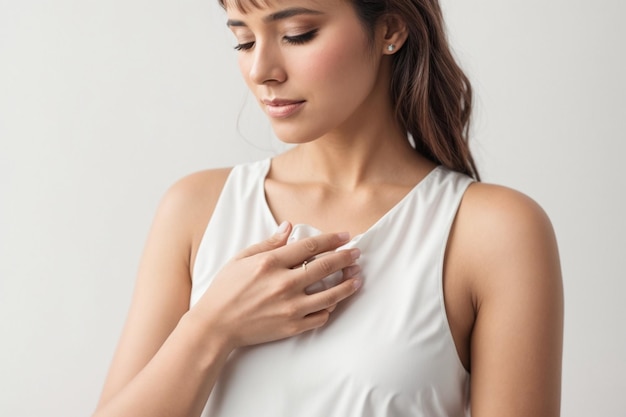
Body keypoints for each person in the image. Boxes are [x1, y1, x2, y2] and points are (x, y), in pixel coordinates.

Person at [93, 0, 563, 416]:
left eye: (297, 34)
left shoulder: (493, 232)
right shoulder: (195, 210)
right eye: (243, 40)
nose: (261, 69)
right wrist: (212, 329)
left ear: (390, 30)